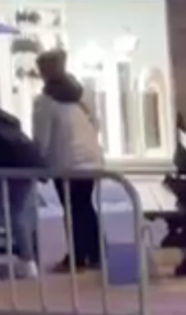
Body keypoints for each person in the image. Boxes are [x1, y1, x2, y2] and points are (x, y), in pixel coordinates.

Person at [32, 48, 103, 273]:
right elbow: (96, 123)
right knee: (85, 206)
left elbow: (42, 139)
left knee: (72, 209)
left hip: (66, 163)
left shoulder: (45, 102)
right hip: (90, 159)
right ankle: (95, 253)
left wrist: (38, 164)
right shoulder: (81, 94)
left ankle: (78, 257)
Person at [0, 108, 44, 279]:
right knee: (20, 215)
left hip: (11, 171)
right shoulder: (9, 124)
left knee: (15, 216)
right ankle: (28, 260)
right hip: (27, 169)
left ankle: (27, 260)